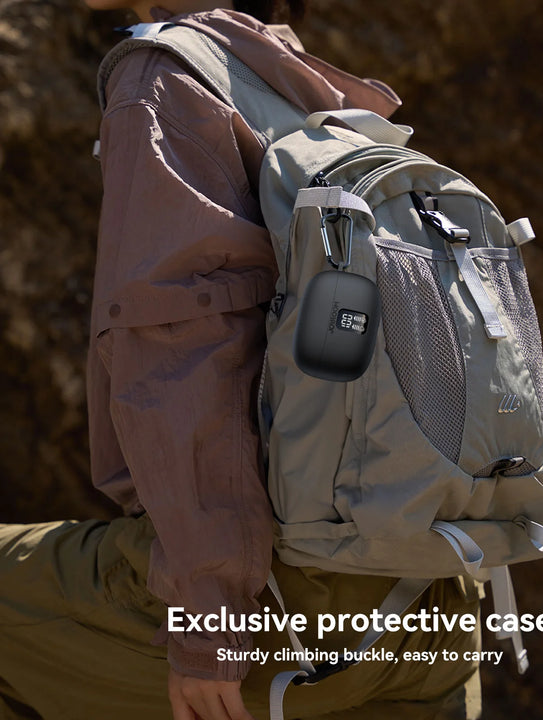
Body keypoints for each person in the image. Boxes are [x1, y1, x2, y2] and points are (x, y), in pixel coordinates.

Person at [0, 2, 484, 719]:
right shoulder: (300, 86)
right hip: (434, 601)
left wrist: (210, 621)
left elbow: (184, 354)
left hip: (291, 612)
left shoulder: (162, 81)